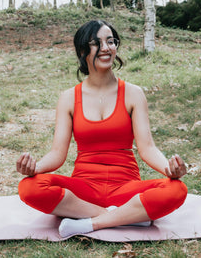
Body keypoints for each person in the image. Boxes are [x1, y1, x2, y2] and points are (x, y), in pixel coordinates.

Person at [16, 20, 188, 238]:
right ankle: (126, 218)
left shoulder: (133, 93)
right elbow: (57, 155)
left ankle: (89, 224)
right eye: (96, 43)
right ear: (82, 50)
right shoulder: (69, 98)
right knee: (29, 187)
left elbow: (147, 148)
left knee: (177, 189)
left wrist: (169, 169)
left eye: (111, 41)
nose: (106, 48)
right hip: (84, 190)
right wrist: (35, 168)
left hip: (126, 187)